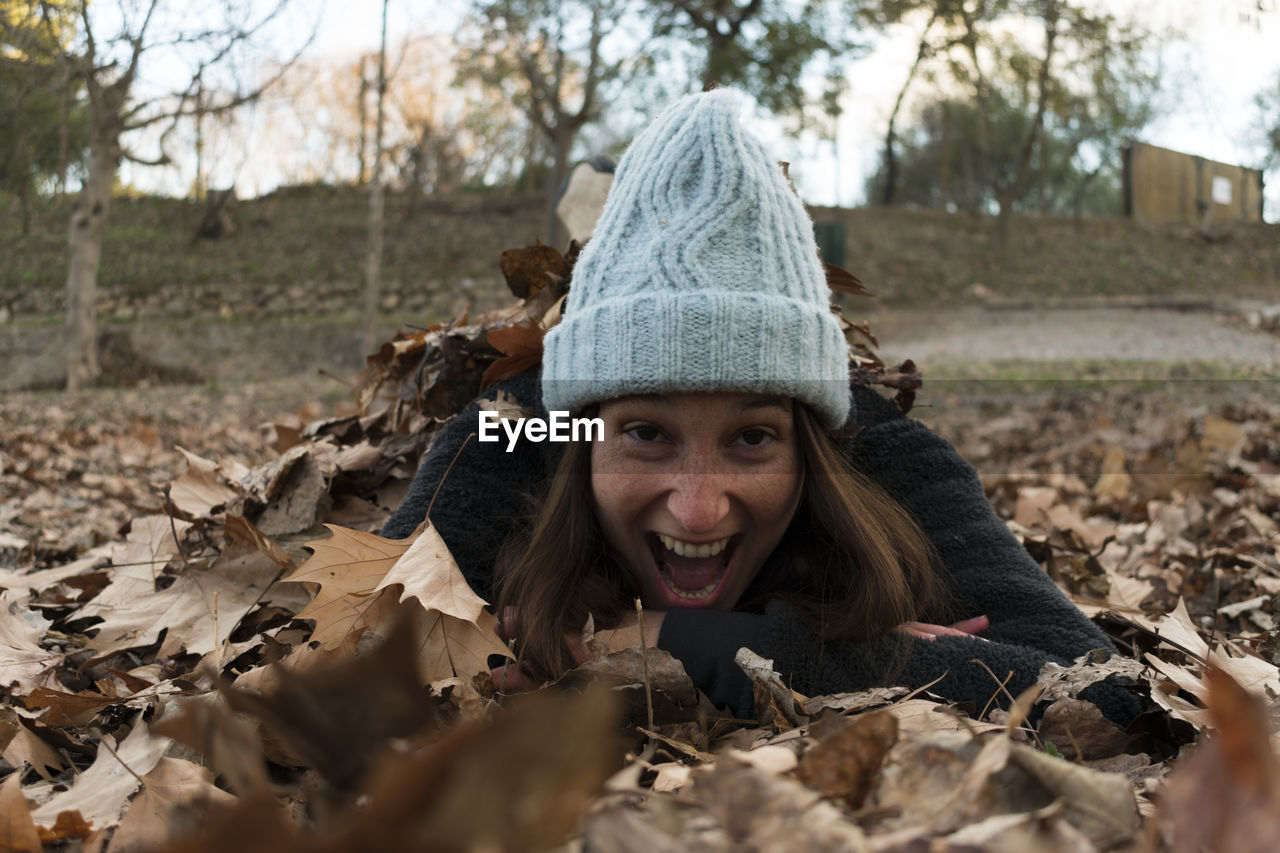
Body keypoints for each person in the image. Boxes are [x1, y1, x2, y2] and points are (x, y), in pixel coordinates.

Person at [382, 89, 1137, 723]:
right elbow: (352, 648)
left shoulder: (877, 452)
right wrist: (896, 661)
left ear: (811, 438)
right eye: (646, 432)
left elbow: (1106, 690)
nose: (699, 511)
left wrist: (699, 642)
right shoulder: (517, 433)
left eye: (751, 438)